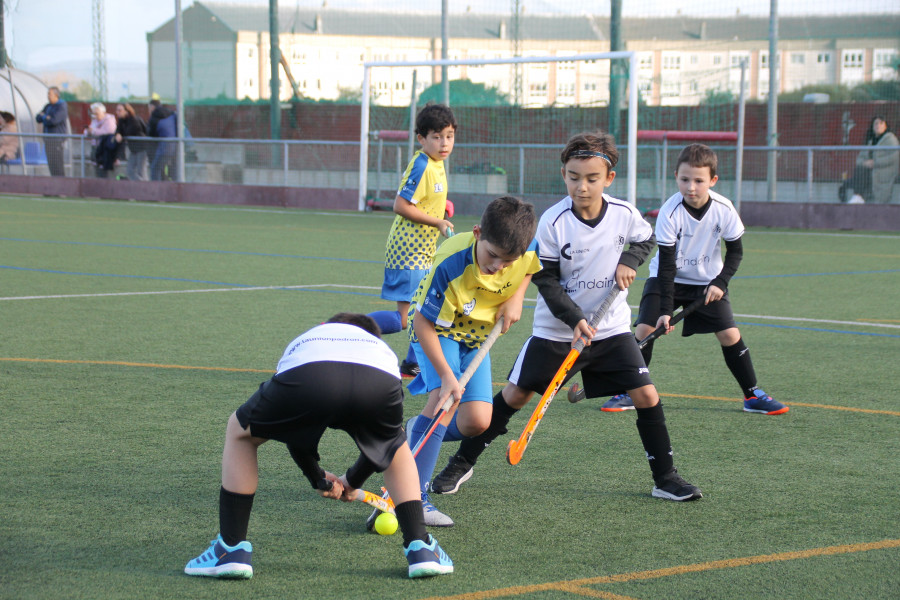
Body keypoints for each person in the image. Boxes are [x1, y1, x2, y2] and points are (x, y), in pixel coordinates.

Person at [429, 132, 703, 505]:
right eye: (574, 177)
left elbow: (644, 239)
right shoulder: (553, 222)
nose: (582, 186)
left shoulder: (624, 213)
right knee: (514, 395)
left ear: (608, 178)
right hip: (556, 331)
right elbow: (544, 278)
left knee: (646, 394)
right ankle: (462, 461)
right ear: (564, 174)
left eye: (592, 179)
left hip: (610, 329)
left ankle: (665, 477)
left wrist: (629, 260)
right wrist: (574, 318)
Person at [184, 313, 453, 580]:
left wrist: (316, 477)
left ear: (327, 327)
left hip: (311, 374)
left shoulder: (309, 339)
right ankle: (421, 549)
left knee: (240, 432)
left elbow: (293, 428)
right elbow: (382, 447)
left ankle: (230, 550)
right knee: (396, 446)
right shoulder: (379, 349)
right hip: (379, 379)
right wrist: (353, 480)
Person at [369, 195, 540, 529]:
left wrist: (517, 298)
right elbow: (422, 323)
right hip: (438, 332)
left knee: (477, 421)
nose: (497, 267)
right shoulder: (451, 263)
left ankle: (415, 434)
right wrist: (447, 376)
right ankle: (414, 496)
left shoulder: (518, 253)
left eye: (507, 262)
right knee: (444, 401)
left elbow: (529, 267)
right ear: (477, 233)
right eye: (492, 256)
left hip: (476, 340)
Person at [595, 143, 789, 416]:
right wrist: (665, 310)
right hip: (667, 279)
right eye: (685, 179)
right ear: (676, 176)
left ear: (712, 181)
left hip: (707, 281)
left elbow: (735, 252)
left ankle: (752, 395)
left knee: (730, 334)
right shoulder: (670, 213)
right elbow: (667, 266)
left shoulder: (724, 208)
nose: (691, 187)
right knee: (644, 332)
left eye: (699, 181)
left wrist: (720, 282)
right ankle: (628, 391)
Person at [367, 103, 456, 379]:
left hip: (424, 249)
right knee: (405, 319)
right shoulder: (421, 165)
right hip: (408, 250)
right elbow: (400, 205)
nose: (444, 143)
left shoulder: (437, 163)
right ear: (422, 139)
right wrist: (438, 221)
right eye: (437, 137)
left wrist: (442, 208)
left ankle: (410, 364)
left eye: (449, 136)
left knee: (424, 307)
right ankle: (345, 328)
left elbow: (425, 199)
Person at [846, 116, 899, 204]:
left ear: (885, 125)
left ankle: (858, 196)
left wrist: (875, 163)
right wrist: (865, 163)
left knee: (863, 172)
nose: (878, 125)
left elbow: (893, 158)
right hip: (870, 170)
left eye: (881, 123)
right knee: (860, 169)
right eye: (875, 123)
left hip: (884, 171)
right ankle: (858, 196)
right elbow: (859, 158)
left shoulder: (891, 139)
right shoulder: (870, 142)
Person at [35, 86, 68, 176]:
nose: (48, 96)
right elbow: (38, 118)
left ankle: (61, 183)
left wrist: (44, 116)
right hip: (48, 139)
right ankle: (54, 182)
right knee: (51, 163)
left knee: (58, 164)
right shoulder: (48, 106)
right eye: (48, 94)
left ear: (56, 95)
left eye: (50, 94)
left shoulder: (61, 106)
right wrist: (46, 117)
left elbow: (54, 120)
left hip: (57, 140)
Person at [114, 103, 149, 181]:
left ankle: (145, 187)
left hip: (142, 148)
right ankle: (141, 186)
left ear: (126, 111)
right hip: (133, 149)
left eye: (120, 110)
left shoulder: (134, 120)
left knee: (141, 171)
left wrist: (121, 135)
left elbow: (130, 131)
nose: (117, 112)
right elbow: (118, 130)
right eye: (117, 110)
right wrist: (118, 133)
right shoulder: (121, 120)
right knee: (130, 171)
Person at [84, 102, 118, 178]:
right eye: (94, 113)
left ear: (103, 112)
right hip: (95, 148)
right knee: (97, 171)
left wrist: (93, 131)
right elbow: (87, 131)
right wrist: (89, 131)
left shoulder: (109, 120)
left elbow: (107, 132)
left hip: (105, 150)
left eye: (97, 113)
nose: (95, 115)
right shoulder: (94, 120)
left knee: (105, 172)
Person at [147, 99, 176, 180]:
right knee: (170, 169)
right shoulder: (171, 113)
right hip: (175, 145)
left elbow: (151, 134)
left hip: (165, 147)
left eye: (149, 108)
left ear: (152, 107)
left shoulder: (154, 117)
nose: (149, 111)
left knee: (155, 168)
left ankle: (156, 188)